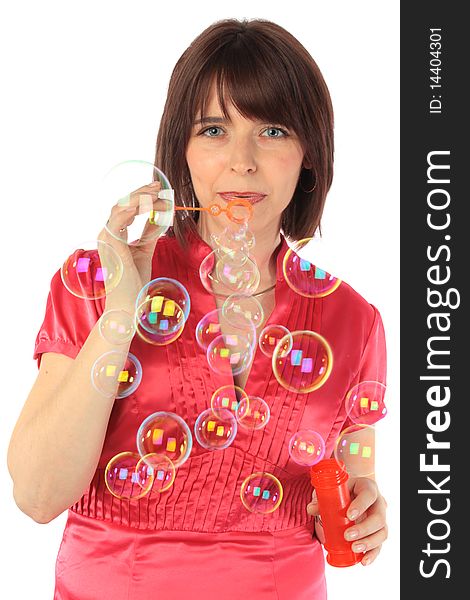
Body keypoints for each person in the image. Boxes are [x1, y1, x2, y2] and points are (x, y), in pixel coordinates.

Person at [7, 17, 388, 600]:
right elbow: (37, 496)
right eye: (213, 129)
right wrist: (120, 312)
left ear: (310, 151)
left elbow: (351, 477)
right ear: (179, 149)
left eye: (273, 129)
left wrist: (365, 511)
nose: (242, 161)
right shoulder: (97, 280)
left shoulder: (353, 321)